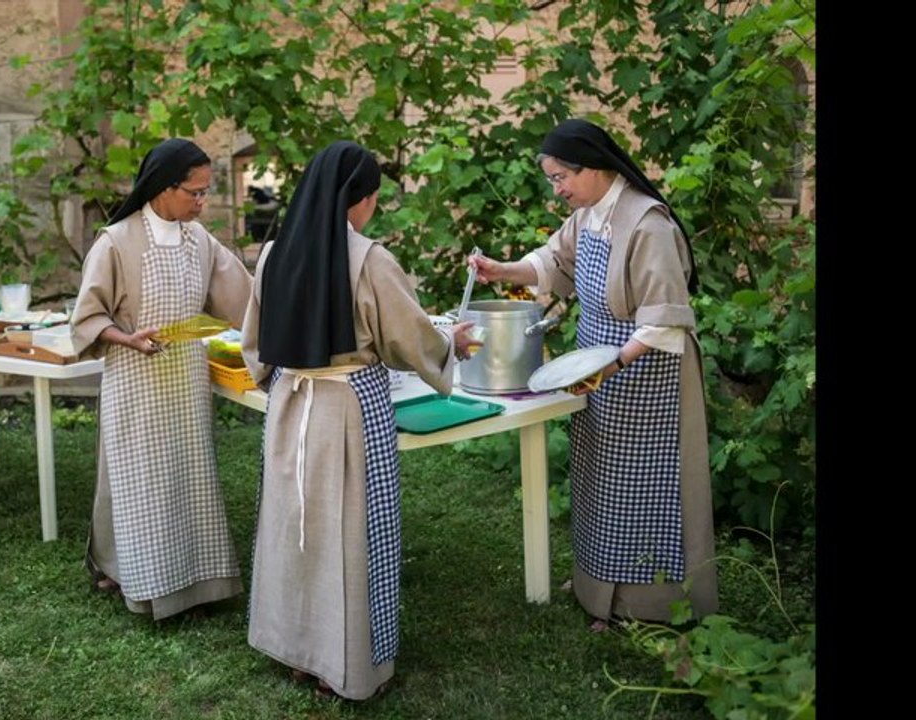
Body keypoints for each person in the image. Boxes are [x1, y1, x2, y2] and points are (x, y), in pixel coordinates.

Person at [240, 140, 474, 700]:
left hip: (291, 404)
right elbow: (408, 339)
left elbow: (255, 343)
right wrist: (451, 343)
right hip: (349, 408)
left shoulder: (273, 253)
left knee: (295, 527)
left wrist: (281, 377)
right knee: (352, 533)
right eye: (373, 198)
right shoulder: (369, 259)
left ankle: (297, 651)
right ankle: (344, 668)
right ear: (359, 199)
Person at [468, 118, 716, 630]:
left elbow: (665, 319)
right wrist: (501, 269)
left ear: (595, 167)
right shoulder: (589, 216)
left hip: (649, 376)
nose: (557, 189)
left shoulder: (647, 224)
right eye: (551, 180)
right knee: (599, 480)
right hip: (601, 369)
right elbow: (552, 262)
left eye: (562, 177)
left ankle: (646, 605)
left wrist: (613, 364)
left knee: (643, 488)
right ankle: (597, 588)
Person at [71, 138, 253, 619]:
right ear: (163, 188)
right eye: (195, 192)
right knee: (141, 484)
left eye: (206, 191)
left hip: (186, 379)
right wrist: (126, 338)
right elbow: (88, 318)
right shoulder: (116, 242)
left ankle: (196, 580)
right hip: (135, 379)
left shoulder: (200, 241)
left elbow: (245, 300)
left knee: (188, 479)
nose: (202, 201)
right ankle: (147, 583)